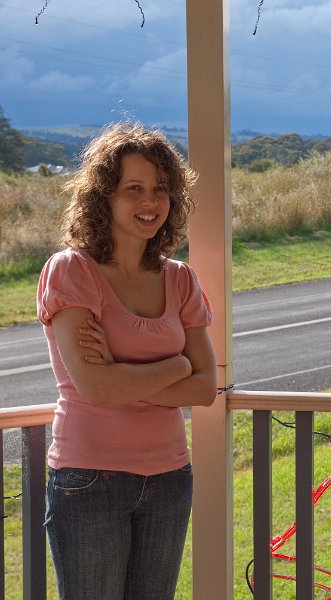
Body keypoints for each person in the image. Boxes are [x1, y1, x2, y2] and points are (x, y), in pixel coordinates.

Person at [37, 122, 217, 599]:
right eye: (133, 188)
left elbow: (204, 389)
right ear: (104, 197)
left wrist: (122, 374)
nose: (150, 202)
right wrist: (177, 366)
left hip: (168, 477)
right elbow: (95, 389)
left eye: (160, 189)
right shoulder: (71, 271)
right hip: (89, 478)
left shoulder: (180, 279)